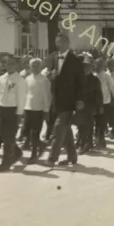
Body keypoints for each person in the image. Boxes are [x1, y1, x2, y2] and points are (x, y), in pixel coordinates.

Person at [47, 33, 85, 166]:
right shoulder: (53, 57)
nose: (59, 44)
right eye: (57, 42)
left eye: (62, 42)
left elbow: (81, 82)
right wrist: (50, 75)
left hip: (70, 100)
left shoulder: (75, 60)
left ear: (68, 43)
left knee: (58, 129)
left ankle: (52, 158)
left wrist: (80, 99)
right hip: (56, 100)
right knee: (66, 130)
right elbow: (50, 74)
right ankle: (72, 157)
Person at [0, 54, 27, 172]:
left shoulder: (20, 80)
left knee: (8, 138)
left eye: (12, 64)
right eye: (7, 63)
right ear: (4, 65)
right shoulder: (2, 78)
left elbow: (21, 99)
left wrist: (19, 114)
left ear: (17, 65)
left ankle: (5, 163)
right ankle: (16, 152)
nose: (9, 66)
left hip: (13, 110)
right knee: (4, 135)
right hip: (2, 109)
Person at [23, 58, 51, 163]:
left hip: (38, 110)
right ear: (29, 67)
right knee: (25, 131)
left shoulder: (44, 80)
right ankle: (41, 144)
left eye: (37, 65)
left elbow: (46, 96)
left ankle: (34, 154)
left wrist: (46, 110)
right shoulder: (27, 79)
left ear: (41, 67)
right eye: (33, 65)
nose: (35, 67)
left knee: (35, 133)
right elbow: (25, 94)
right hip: (27, 108)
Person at [75, 53, 102, 154]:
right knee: (81, 126)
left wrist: (99, 107)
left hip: (90, 107)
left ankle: (84, 145)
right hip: (79, 106)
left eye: (88, 67)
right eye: (84, 67)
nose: (86, 69)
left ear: (91, 68)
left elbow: (99, 95)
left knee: (87, 126)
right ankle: (87, 143)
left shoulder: (95, 80)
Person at [95, 57, 114, 147]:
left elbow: (113, 87)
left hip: (105, 103)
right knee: (98, 122)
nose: (96, 67)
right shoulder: (94, 75)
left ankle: (101, 140)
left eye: (98, 65)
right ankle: (99, 139)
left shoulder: (106, 76)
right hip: (96, 103)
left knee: (101, 122)